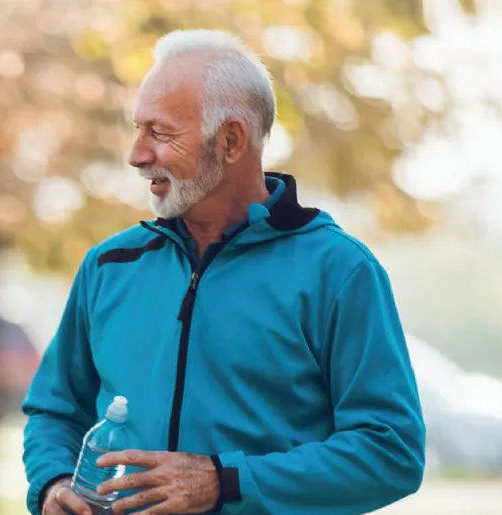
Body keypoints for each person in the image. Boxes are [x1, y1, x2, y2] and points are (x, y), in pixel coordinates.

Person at [21, 29, 425, 515]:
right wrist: (53, 483)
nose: (136, 154)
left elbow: (390, 451)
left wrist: (224, 481)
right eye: (138, 128)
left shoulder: (338, 271)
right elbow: (54, 411)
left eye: (160, 132)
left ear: (231, 141)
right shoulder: (110, 265)